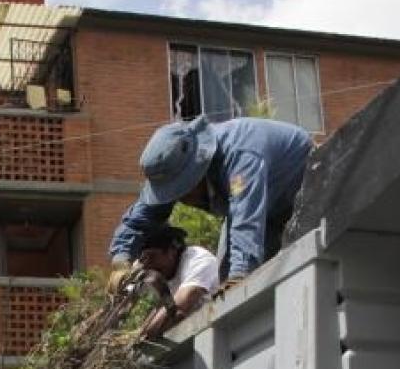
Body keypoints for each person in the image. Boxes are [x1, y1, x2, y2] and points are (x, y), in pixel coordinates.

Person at [109, 113, 312, 291]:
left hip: (305, 192)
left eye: (182, 191)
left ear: (198, 171)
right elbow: (140, 217)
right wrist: (122, 259)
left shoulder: (240, 157)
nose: (181, 199)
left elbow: (245, 220)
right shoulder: (172, 165)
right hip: (263, 209)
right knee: (224, 278)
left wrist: (239, 275)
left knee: (284, 270)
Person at [130, 224, 219, 337]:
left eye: (152, 256)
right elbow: (123, 303)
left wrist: (139, 335)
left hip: (214, 332)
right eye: (143, 260)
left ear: (171, 250)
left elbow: (180, 306)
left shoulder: (198, 260)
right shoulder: (157, 272)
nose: (147, 265)